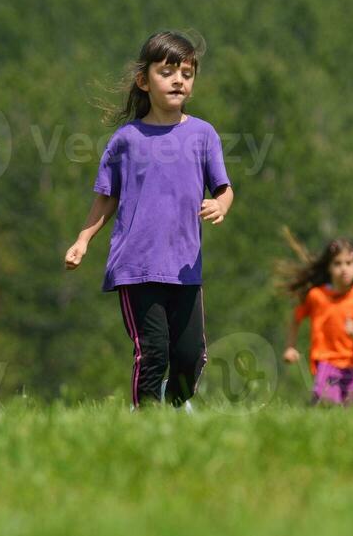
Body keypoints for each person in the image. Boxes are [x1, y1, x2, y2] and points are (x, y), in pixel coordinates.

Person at [65, 30, 234, 409]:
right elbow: (107, 198)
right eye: (167, 71)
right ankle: (146, 421)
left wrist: (221, 206)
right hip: (136, 267)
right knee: (153, 352)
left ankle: (175, 406)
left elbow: (224, 188)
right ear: (144, 80)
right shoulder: (126, 140)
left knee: (191, 358)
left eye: (186, 74)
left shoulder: (203, 135)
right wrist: (83, 240)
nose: (178, 80)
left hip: (185, 268)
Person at [280, 236, 353, 406]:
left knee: (348, 413)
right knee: (327, 402)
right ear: (329, 268)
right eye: (337, 264)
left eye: (349, 263)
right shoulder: (317, 296)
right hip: (326, 361)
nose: (344, 269)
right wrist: (290, 347)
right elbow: (295, 319)